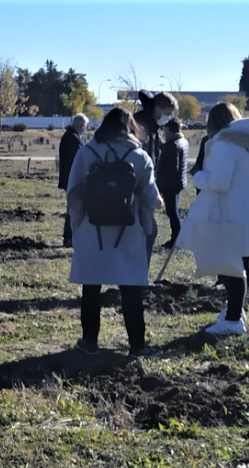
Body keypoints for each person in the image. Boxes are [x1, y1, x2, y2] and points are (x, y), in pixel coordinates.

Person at [66, 107, 162, 357]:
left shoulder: (86, 153)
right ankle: (137, 346)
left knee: (91, 288)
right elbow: (151, 198)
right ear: (131, 127)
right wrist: (146, 227)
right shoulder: (139, 157)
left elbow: (73, 193)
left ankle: (89, 342)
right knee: (131, 290)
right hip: (128, 231)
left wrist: (77, 224)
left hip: (91, 228)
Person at [178, 105, 249, 336]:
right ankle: (235, 311)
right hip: (247, 213)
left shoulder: (225, 144)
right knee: (237, 266)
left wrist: (199, 177)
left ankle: (233, 320)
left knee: (232, 270)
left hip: (232, 214)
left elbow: (219, 183)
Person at [190, 103, 249, 291]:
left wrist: (201, 178)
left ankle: (245, 277)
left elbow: (218, 178)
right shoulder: (210, 141)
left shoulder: (231, 144)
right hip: (231, 196)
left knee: (230, 238)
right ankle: (226, 278)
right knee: (226, 237)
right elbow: (201, 163)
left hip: (225, 194)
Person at [157, 119, 190, 249]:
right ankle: (177, 238)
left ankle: (177, 239)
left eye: (165, 129)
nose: (164, 132)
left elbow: (172, 165)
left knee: (172, 212)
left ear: (169, 129)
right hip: (179, 181)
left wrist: (159, 183)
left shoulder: (172, 145)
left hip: (170, 184)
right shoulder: (182, 141)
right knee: (173, 211)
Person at [58, 114, 89, 247]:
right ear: (81, 125)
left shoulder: (70, 136)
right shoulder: (73, 139)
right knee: (73, 209)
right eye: (86, 126)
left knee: (73, 208)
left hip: (70, 178)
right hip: (72, 179)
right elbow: (77, 161)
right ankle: (69, 238)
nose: (86, 129)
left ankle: (71, 237)